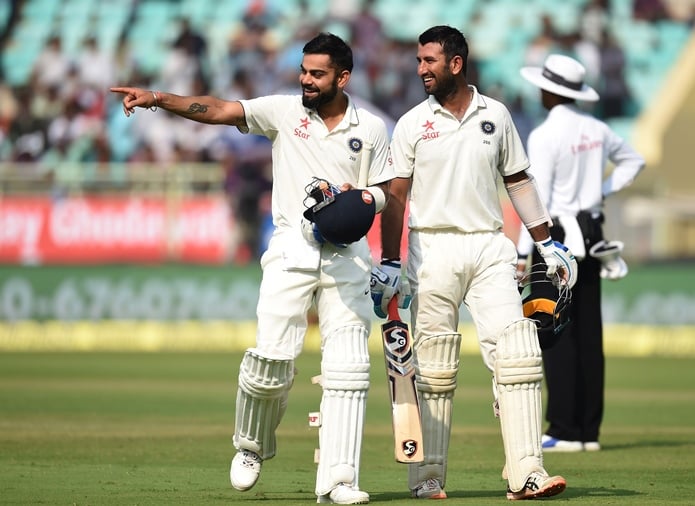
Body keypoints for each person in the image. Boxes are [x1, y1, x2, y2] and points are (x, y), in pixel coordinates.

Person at [111, 32, 393, 505]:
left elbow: (386, 189)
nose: (306, 79)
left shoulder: (373, 128)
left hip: (348, 256)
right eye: (304, 70)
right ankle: (251, 447)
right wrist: (158, 98)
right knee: (269, 362)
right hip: (291, 249)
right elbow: (219, 110)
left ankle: (339, 479)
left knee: (348, 368)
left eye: (317, 73)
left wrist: (360, 200)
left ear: (342, 78)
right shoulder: (284, 112)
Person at [370, 25, 576, 501]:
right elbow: (396, 197)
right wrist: (387, 260)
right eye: (419, 61)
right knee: (435, 366)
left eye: (429, 61)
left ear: (456, 64)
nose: (421, 69)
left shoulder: (496, 115)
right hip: (432, 250)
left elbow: (518, 180)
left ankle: (526, 472)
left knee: (518, 354)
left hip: (489, 245)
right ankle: (428, 477)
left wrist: (547, 244)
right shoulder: (410, 124)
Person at [517, 54, 645, 452]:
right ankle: (589, 430)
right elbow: (633, 162)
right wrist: (599, 195)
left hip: (553, 234)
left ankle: (564, 429)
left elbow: (534, 199)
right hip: (591, 231)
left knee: (556, 333)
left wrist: (525, 252)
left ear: (549, 91)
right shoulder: (596, 127)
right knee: (590, 331)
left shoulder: (544, 134)